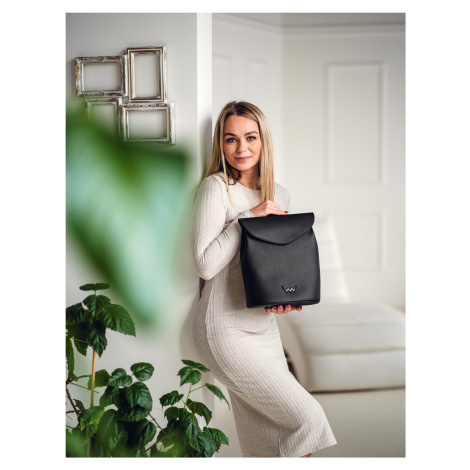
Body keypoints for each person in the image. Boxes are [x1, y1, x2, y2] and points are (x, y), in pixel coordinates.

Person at [190, 101, 337, 457]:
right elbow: (205, 265)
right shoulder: (216, 188)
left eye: (250, 137)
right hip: (223, 330)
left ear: (263, 140)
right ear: (221, 144)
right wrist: (247, 218)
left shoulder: (278, 194)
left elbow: (271, 263)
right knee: (308, 419)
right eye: (231, 139)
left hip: (264, 328)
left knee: (266, 442)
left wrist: (281, 298)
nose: (241, 148)